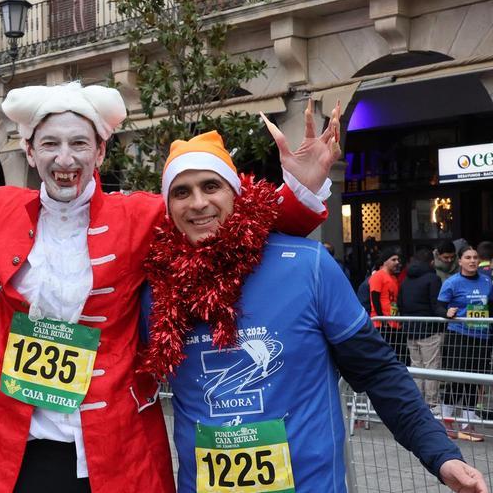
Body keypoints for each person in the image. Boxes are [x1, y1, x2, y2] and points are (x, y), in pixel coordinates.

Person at [0, 83, 338, 492]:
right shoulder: (2, 212)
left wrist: (302, 191)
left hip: (115, 443)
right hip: (18, 440)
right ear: (29, 149)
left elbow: (222, 226)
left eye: (78, 143)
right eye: (49, 143)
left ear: (100, 149)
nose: (64, 158)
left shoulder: (141, 215)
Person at [140, 131, 487, 493]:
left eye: (211, 185)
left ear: (235, 193)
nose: (197, 203)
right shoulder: (155, 291)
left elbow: (378, 372)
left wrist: (441, 455)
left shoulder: (309, 266)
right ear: (167, 208)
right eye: (181, 192)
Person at [438, 245, 493, 441]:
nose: (472, 261)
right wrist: (446, 312)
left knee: (474, 380)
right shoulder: (452, 282)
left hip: (482, 337)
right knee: (456, 380)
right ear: (460, 261)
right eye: (468, 257)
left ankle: (467, 424)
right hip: (459, 336)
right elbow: (439, 305)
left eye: (475, 257)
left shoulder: (488, 281)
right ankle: (446, 421)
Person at [398, 248, 446, 410]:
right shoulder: (433, 279)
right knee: (431, 366)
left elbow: (400, 304)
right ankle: (432, 403)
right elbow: (436, 305)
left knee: (416, 365)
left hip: (410, 328)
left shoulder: (405, 280)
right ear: (431, 262)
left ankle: (417, 401)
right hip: (429, 329)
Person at [369, 247, 406, 365]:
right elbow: (374, 298)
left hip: (394, 321)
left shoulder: (394, 278)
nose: (397, 262)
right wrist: (382, 319)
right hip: (382, 323)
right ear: (385, 261)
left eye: (398, 260)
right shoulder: (378, 276)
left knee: (397, 353)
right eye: (393, 259)